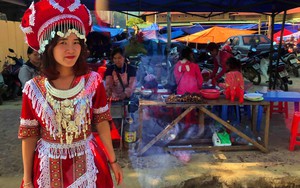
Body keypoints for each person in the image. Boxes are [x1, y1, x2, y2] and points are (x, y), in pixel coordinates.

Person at [18, 0, 123, 187]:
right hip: (47, 167)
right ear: (48, 47)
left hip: (89, 162)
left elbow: (102, 122)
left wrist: (113, 161)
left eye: (76, 42)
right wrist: (27, 180)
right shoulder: (33, 89)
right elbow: (29, 135)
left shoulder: (92, 81)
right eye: (63, 42)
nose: (71, 49)